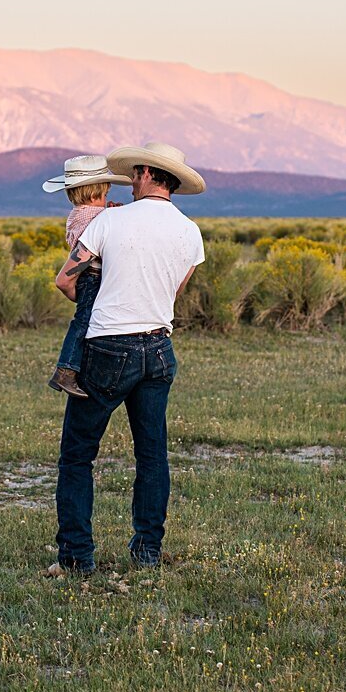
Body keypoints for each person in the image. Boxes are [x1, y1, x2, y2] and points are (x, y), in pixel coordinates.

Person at [50, 142, 206, 575]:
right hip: (158, 347)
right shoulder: (190, 232)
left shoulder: (111, 221)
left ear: (144, 173)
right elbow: (172, 292)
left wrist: (91, 308)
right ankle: (148, 551)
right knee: (152, 455)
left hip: (107, 348)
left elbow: (66, 280)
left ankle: (77, 558)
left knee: (78, 456)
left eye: (135, 173)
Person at [40, 155, 131, 399]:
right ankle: (66, 369)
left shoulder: (79, 213)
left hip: (87, 276)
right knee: (83, 323)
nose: (107, 199)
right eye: (104, 194)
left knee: (85, 322)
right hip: (92, 275)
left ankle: (74, 369)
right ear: (95, 193)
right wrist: (116, 213)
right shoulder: (94, 216)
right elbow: (102, 230)